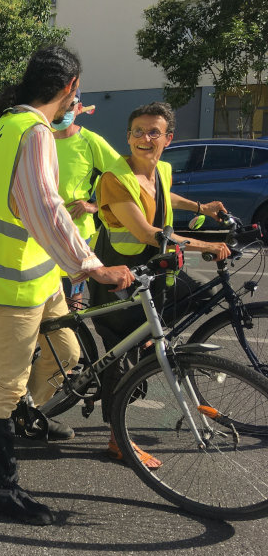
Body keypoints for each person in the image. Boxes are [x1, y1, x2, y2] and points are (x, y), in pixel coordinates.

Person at [0, 46, 133, 526]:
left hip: (39, 273)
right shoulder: (33, 131)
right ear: (70, 88)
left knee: (68, 351)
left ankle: (23, 414)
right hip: (15, 279)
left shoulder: (2, 126)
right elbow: (44, 206)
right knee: (6, 384)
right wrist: (92, 265)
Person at [89, 101, 231, 468]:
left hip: (152, 273)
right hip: (118, 276)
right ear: (127, 136)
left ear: (169, 138)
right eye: (137, 131)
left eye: (154, 132)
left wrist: (201, 208)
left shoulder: (162, 169)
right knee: (120, 357)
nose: (144, 138)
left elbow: (164, 195)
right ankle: (116, 440)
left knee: (199, 294)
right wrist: (206, 244)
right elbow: (148, 233)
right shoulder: (114, 179)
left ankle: (153, 341)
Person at [53, 90, 120, 309]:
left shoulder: (90, 142)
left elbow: (124, 181)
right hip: (41, 232)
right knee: (45, 301)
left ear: (79, 108)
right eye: (58, 105)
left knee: (73, 303)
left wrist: (93, 206)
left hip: (77, 234)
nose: (63, 112)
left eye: (69, 106)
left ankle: (73, 341)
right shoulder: (40, 139)